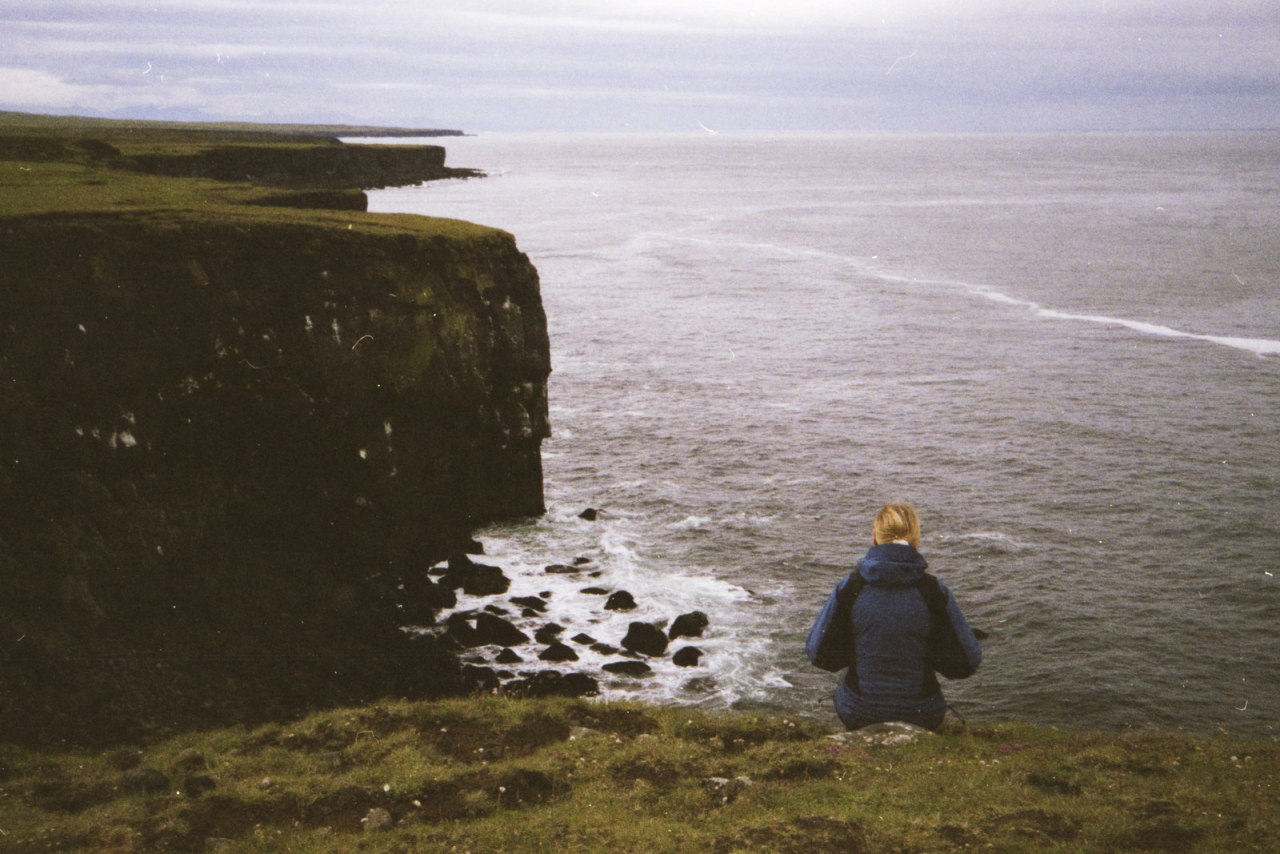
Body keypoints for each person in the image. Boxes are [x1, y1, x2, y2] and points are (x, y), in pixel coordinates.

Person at [805, 502, 982, 731]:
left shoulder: (851, 586)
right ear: (916, 539)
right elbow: (966, 663)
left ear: (875, 537)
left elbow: (818, 654)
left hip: (859, 711)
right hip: (922, 713)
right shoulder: (933, 590)